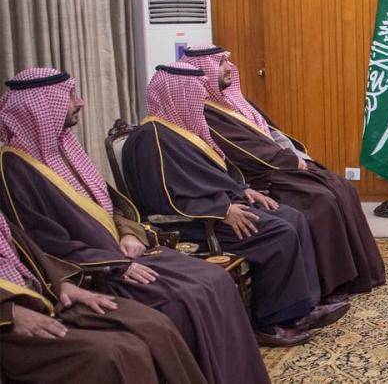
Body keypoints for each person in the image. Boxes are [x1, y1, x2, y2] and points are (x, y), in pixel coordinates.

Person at [0, 68, 271, 380]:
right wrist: (115, 262)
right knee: (183, 300)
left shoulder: (64, 149)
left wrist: (129, 233)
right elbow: (43, 242)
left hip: (127, 251)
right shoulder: (14, 168)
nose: (81, 102)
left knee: (215, 279)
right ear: (39, 108)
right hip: (97, 269)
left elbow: (110, 204)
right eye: (70, 97)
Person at [121, 63, 348, 345]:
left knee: (293, 217)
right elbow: (162, 197)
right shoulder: (150, 138)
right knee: (277, 233)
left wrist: (244, 190)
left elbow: (210, 174)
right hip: (194, 221)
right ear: (174, 94)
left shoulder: (180, 131)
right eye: (193, 94)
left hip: (220, 205)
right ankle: (270, 322)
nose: (198, 101)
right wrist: (222, 210)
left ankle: (303, 308)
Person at [181, 45, 385, 297]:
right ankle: (333, 284)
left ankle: (362, 274)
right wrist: (289, 160)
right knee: (321, 200)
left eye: (227, 62)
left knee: (341, 186)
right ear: (205, 70)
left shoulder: (233, 101)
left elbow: (269, 132)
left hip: (278, 164)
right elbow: (244, 150)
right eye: (220, 63)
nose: (229, 68)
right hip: (260, 174)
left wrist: (297, 155)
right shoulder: (206, 114)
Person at [0, 211, 207, 383]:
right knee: (114, 353)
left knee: (154, 324)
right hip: (10, 319)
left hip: (46, 295)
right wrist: (10, 313)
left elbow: (21, 259)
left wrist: (61, 283)